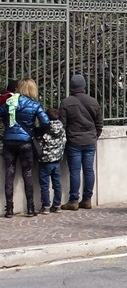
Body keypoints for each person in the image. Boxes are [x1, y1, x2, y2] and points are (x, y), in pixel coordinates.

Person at [0, 78, 49, 217]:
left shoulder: (10, 103)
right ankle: (30, 208)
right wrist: (36, 132)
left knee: (9, 173)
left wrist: (7, 125)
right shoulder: (34, 105)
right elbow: (46, 123)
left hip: (9, 141)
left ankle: (9, 209)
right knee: (27, 173)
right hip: (26, 142)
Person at [59, 75, 103, 211]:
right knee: (89, 170)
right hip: (90, 140)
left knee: (75, 171)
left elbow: (62, 125)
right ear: (84, 86)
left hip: (74, 141)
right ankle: (87, 199)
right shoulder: (93, 101)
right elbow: (99, 124)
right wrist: (94, 136)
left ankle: (73, 200)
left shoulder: (66, 102)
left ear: (71, 86)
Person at [39, 108, 66, 214]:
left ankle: (46, 206)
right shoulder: (62, 128)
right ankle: (57, 205)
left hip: (45, 160)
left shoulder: (45, 128)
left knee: (45, 184)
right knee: (57, 183)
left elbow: (41, 143)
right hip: (57, 160)